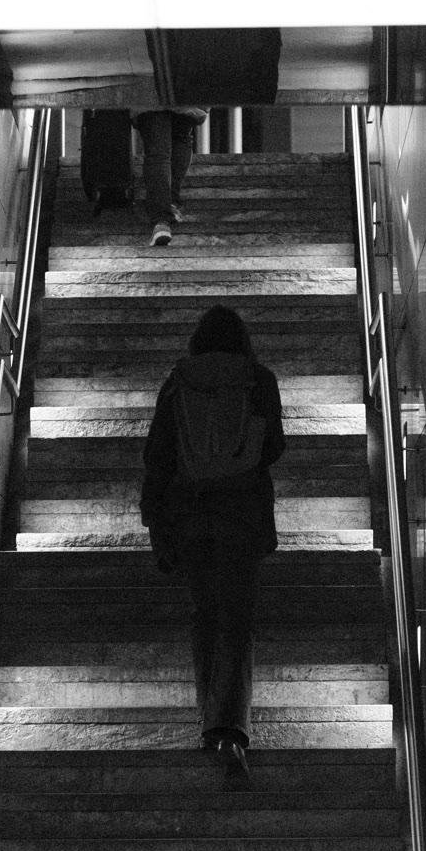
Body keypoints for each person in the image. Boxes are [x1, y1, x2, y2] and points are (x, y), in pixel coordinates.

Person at [140, 306, 285, 787]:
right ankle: (229, 731)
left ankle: (213, 721)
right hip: (241, 514)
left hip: (191, 512)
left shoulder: (178, 381)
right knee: (237, 618)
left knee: (206, 613)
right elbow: (273, 448)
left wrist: (155, 521)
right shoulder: (258, 379)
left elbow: (157, 455)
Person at [131, 108, 207, 246]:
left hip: (149, 93)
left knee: (157, 149)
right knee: (181, 136)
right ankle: (171, 203)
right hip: (183, 90)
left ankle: (161, 220)